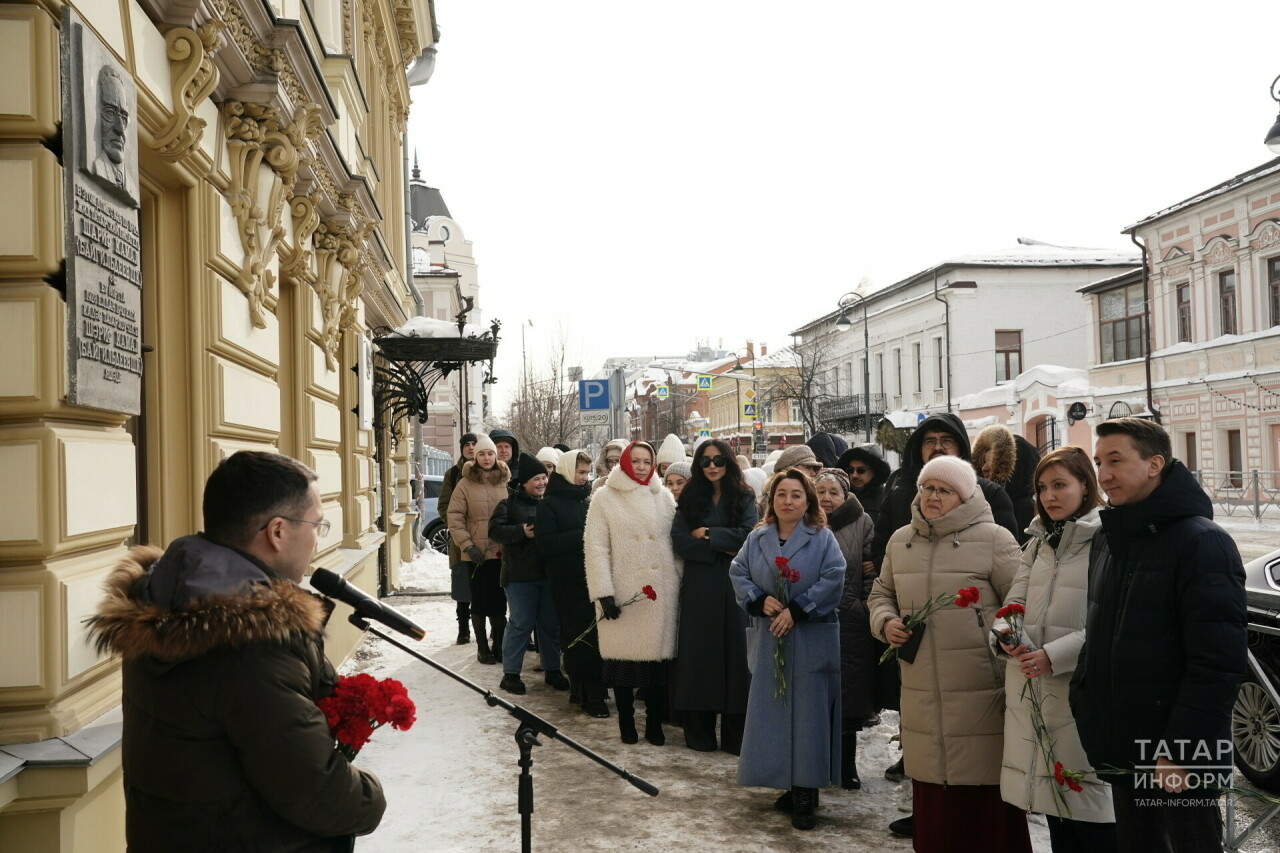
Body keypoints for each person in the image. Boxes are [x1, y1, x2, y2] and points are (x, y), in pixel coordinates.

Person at [87, 451, 385, 851]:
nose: (318, 536)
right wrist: (371, 797)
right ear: (277, 531)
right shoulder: (254, 638)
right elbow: (318, 795)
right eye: (318, 523)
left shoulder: (169, 595)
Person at [1070, 418, 1247, 853]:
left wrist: (1183, 751)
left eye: (1115, 461)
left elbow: (1217, 662)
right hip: (1124, 742)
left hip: (1177, 755)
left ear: (1154, 464)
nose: (1103, 475)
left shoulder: (1202, 542)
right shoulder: (1111, 539)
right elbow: (1101, 634)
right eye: (1098, 462)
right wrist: (1086, 700)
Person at [868, 455, 1030, 853]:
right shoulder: (900, 540)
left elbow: (1023, 603)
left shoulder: (995, 539)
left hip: (980, 694)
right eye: (926, 487)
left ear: (964, 495)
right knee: (934, 798)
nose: (931, 496)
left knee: (984, 801)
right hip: (921, 690)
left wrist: (1004, 637)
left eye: (943, 489)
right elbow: (880, 595)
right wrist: (886, 623)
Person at [997, 447, 1116, 851]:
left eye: (1061, 485)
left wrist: (1055, 655)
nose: (1050, 495)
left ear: (1086, 486)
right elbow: (1011, 604)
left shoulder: (1108, 540)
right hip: (1033, 691)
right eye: (1043, 487)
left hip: (1080, 692)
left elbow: (1112, 624)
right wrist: (1006, 636)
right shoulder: (1038, 542)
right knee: (1056, 812)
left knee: (1093, 814)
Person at [730, 468, 846, 831]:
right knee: (774, 712)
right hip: (770, 638)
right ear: (771, 499)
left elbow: (834, 576)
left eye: (796, 494)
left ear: (808, 500)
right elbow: (738, 572)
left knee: (808, 716)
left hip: (809, 638)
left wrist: (798, 609)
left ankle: (806, 792)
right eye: (781, 494)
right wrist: (759, 600)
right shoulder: (758, 537)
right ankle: (783, 779)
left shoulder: (822, 538)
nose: (788, 501)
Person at [585, 441, 681, 745]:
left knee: (656, 665)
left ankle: (654, 724)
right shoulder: (604, 498)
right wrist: (603, 592)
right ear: (624, 463)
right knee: (623, 663)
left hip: (659, 593)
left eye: (646, 461)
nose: (641, 466)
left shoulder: (663, 497)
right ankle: (626, 724)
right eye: (635, 461)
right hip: (624, 591)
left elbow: (674, 544)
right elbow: (596, 547)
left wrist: (680, 580)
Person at [671, 439, 759, 753]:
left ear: (729, 462)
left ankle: (737, 737)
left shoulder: (744, 495)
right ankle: (699, 734)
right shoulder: (691, 496)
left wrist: (707, 534)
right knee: (699, 656)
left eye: (718, 460)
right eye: (706, 460)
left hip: (736, 583)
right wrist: (724, 544)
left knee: (737, 656)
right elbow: (681, 541)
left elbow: (749, 536)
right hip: (700, 584)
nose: (712, 466)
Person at [813, 468, 875, 791]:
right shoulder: (806, 523)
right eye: (820, 491)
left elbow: (871, 570)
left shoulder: (862, 523)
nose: (826, 498)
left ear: (844, 495)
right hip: (814, 621)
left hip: (851, 622)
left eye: (833, 492)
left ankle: (847, 765)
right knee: (817, 698)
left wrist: (864, 608)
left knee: (848, 699)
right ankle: (817, 765)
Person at [490, 452, 569, 695]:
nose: (542, 482)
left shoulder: (551, 502)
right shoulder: (509, 504)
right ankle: (511, 674)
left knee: (549, 624)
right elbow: (495, 530)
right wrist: (521, 531)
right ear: (524, 482)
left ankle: (552, 669)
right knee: (521, 623)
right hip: (520, 576)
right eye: (536, 478)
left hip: (548, 574)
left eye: (544, 477)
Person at [538, 449, 609, 717]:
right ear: (567, 471)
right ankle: (590, 694)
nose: (584, 478)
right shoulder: (549, 503)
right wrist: (583, 535)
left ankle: (582, 690)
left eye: (587, 473)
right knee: (578, 637)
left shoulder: (586, 500)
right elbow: (545, 544)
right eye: (580, 472)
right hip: (566, 581)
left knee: (591, 636)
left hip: (591, 578)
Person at [446, 434, 510, 665]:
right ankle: (482, 648)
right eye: (481, 453)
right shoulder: (465, 483)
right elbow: (454, 516)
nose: (486, 457)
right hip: (477, 554)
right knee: (480, 601)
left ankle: (500, 646)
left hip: (502, 553)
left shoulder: (505, 481)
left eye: (490, 453)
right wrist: (467, 546)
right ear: (475, 456)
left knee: (500, 603)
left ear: (496, 455)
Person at [971, 424, 1041, 545]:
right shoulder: (981, 503)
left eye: (993, 461)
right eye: (984, 461)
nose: (984, 468)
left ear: (1015, 467)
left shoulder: (1026, 511)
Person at [439, 433, 477, 644]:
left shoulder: (487, 471)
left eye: (474, 444)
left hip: (486, 541)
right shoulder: (453, 474)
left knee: (487, 587)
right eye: (467, 445)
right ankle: (463, 628)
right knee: (463, 587)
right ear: (462, 448)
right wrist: (458, 527)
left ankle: (491, 628)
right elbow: (444, 506)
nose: (470, 448)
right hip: (460, 542)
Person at [89, 64, 135, 200]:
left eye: (124, 117)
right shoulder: (97, 168)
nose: (120, 129)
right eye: (109, 113)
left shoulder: (131, 186)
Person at [836, 443, 891, 526]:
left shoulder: (886, 500)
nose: (854, 475)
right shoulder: (840, 497)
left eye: (861, 470)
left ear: (874, 471)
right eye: (850, 470)